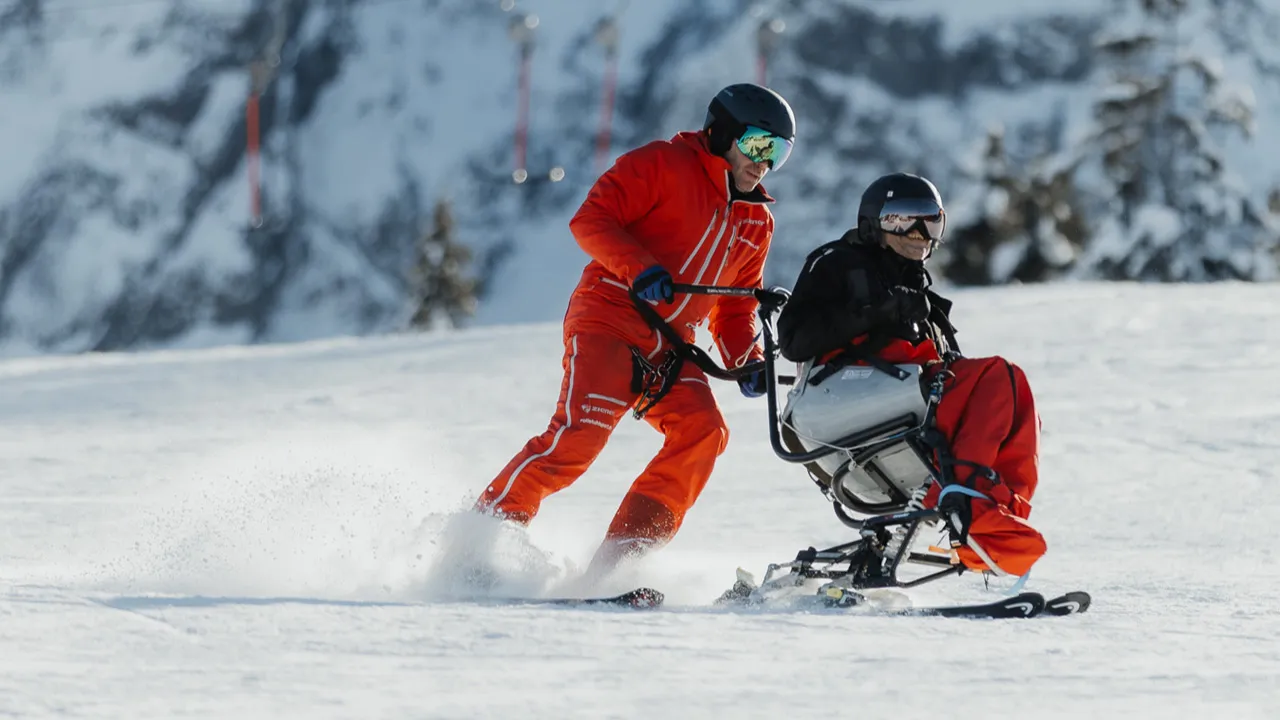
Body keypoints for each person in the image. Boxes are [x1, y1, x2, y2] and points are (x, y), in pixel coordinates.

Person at [475, 83, 797, 578]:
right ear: (723, 134)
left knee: (704, 432)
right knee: (577, 439)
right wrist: (639, 267)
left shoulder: (756, 221)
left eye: (780, 152)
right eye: (758, 145)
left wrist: (746, 362)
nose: (765, 163)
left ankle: (620, 561)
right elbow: (590, 220)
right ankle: (480, 538)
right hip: (610, 318)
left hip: (670, 348)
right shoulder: (662, 164)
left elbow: (734, 311)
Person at [776, 172, 1047, 578]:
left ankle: (996, 516)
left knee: (1014, 402)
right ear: (873, 225)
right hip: (834, 401)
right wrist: (879, 311)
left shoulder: (921, 296)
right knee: (999, 377)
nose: (920, 233)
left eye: (932, 222)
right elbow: (794, 340)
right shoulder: (839, 263)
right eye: (903, 220)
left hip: (896, 409)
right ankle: (969, 510)